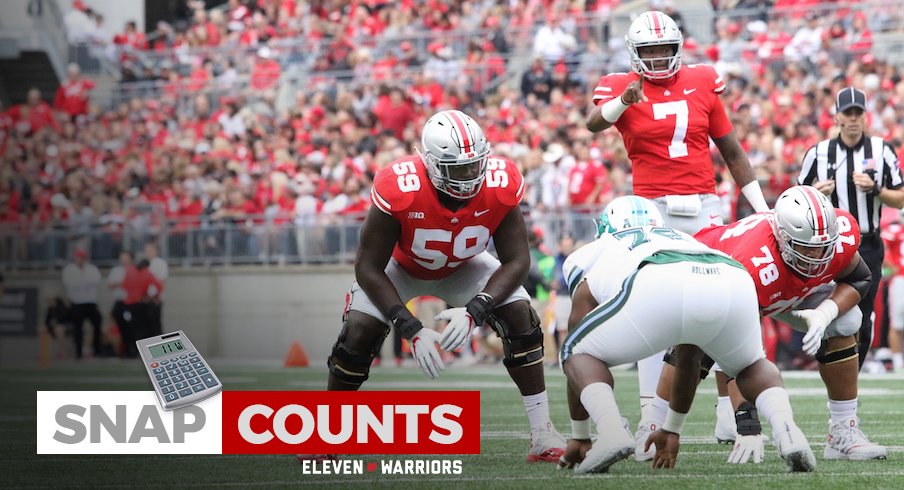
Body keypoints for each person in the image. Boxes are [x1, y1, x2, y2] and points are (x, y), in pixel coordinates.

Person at [325, 109, 566, 463]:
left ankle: (543, 432)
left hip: (465, 265)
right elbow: (368, 266)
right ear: (431, 164)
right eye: (458, 169)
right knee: (358, 332)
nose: (470, 177)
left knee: (520, 316)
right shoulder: (400, 186)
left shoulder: (500, 182)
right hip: (402, 266)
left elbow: (517, 260)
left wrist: (476, 310)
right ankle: (330, 434)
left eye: (474, 165)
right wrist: (409, 326)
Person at [584, 10, 770, 458]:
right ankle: (652, 414)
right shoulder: (618, 86)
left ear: (678, 48)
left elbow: (731, 149)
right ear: (634, 53)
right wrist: (625, 102)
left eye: (664, 49)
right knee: (654, 310)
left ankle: (729, 410)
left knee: (724, 303)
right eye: (648, 50)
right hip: (651, 210)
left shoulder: (704, 79)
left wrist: (762, 209)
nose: (657, 57)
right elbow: (593, 124)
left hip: (704, 206)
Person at [558, 196, 815, 474]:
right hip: (730, 273)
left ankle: (610, 430)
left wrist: (580, 434)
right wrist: (672, 429)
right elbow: (689, 351)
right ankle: (789, 432)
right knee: (751, 365)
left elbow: (578, 335)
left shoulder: (592, 251)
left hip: (658, 275)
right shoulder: (681, 236)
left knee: (575, 352)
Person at [657, 186, 887, 462]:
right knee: (694, 350)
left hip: (785, 287)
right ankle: (654, 424)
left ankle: (843, 431)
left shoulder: (835, 237)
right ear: (783, 238)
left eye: (822, 248)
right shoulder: (753, 265)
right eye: (807, 249)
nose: (817, 258)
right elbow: (736, 351)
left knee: (847, 319)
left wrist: (825, 312)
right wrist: (747, 422)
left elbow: (860, 277)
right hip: (719, 278)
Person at [798, 87, 904, 369]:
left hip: (867, 244)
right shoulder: (818, 153)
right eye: (848, 113)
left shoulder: (882, 150)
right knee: (829, 312)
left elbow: (901, 197)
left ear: (865, 117)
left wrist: (876, 189)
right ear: (837, 117)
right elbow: (795, 200)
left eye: (858, 113)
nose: (854, 118)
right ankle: (833, 373)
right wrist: (815, 193)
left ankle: (849, 381)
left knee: (863, 315)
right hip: (828, 247)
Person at [61, 249, 103, 359]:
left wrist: (82, 281)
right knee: (78, 328)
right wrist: (85, 282)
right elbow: (71, 284)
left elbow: (96, 281)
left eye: (82, 257)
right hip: (77, 303)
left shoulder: (91, 268)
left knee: (97, 324)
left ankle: (97, 350)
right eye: (78, 257)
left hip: (91, 302)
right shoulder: (69, 269)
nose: (80, 260)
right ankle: (79, 352)